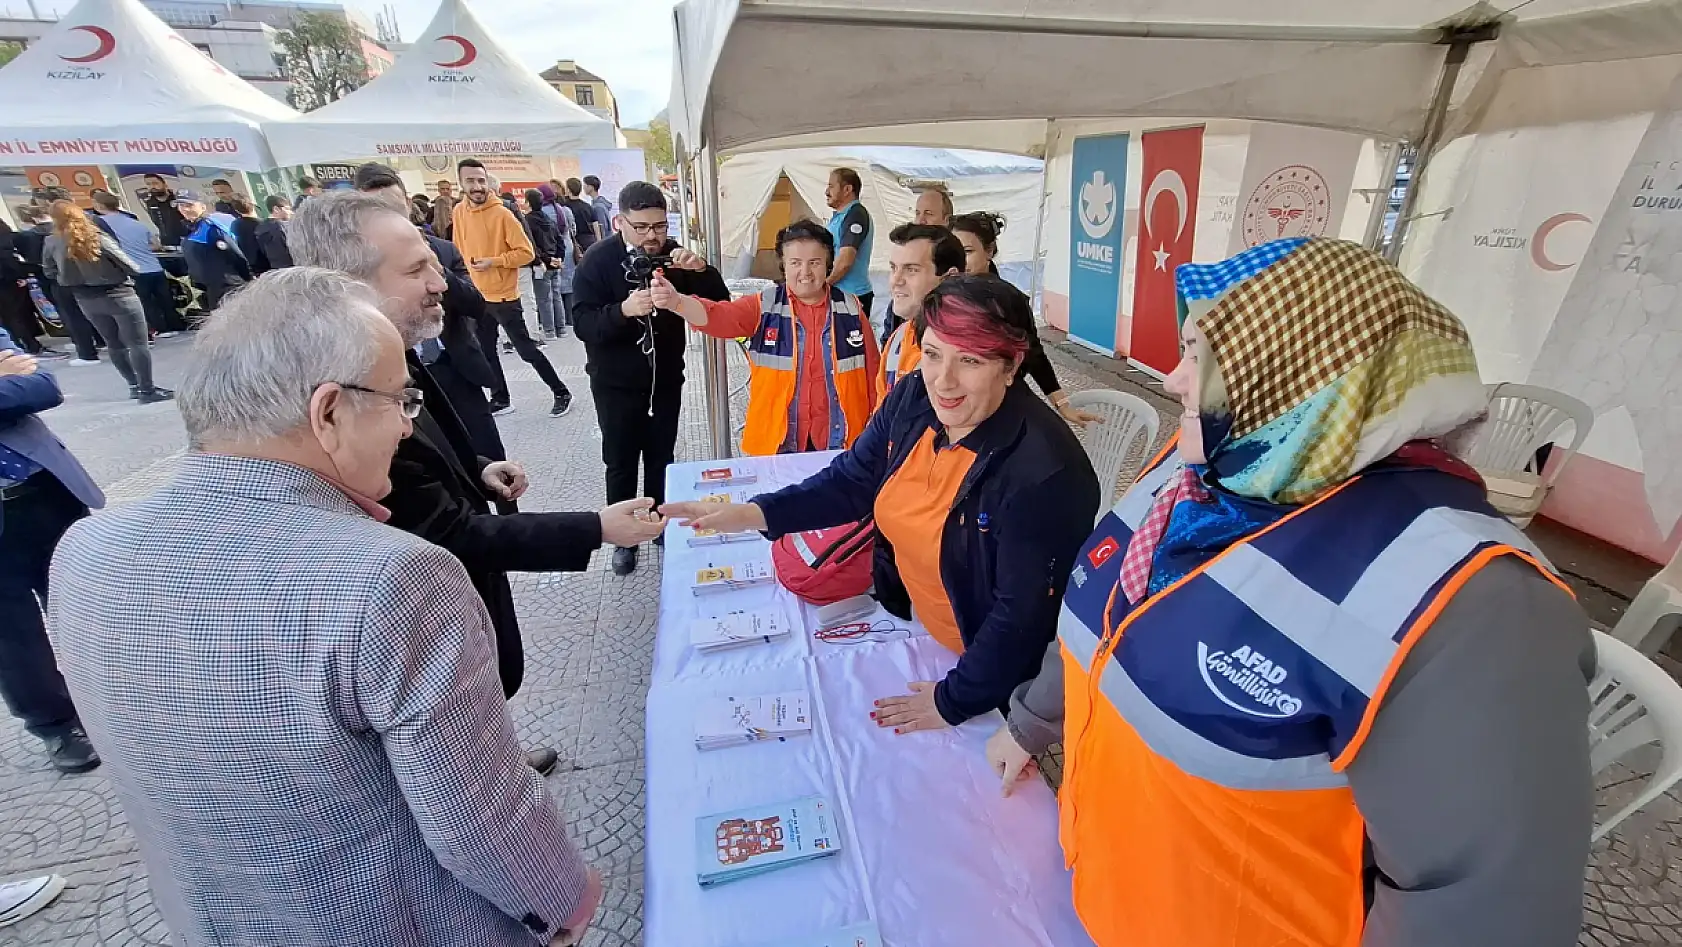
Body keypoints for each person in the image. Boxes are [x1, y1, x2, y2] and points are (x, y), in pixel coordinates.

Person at [988, 238, 1595, 947]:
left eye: (1206, 359)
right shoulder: (1205, 470)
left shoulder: (1477, 604)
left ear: (1308, 376)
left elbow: (1483, 908)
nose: (1176, 379)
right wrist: (1030, 719)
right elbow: (1113, 613)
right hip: (1101, 897)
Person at [49, 268, 605, 947]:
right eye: (400, 400)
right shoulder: (393, 578)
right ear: (329, 411)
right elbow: (481, 815)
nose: (407, 427)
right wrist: (562, 905)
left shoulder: (85, 550)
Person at [288, 192, 664, 727]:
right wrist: (596, 529)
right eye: (417, 269)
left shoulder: (391, 353)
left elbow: (422, 454)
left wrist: (475, 469)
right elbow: (441, 528)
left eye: (436, 265)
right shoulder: (348, 393)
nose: (441, 283)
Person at [664, 277, 1100, 731]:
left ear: (1011, 367)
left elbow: (1022, 616)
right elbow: (853, 480)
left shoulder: (1045, 474)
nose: (943, 381)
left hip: (988, 673)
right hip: (919, 627)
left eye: (969, 360)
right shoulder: (915, 395)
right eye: (932, 354)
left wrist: (953, 701)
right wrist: (756, 512)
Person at [571, 182, 731, 575]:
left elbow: (721, 302)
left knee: (662, 455)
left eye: (659, 226)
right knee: (621, 460)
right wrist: (622, 311)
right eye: (641, 227)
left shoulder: (674, 255)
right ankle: (623, 536)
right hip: (615, 383)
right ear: (619, 221)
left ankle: (659, 523)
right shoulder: (597, 260)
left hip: (665, 379)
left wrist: (702, 270)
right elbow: (582, 323)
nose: (652, 236)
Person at [654, 218, 879, 456]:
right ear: (784, 265)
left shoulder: (851, 308)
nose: (805, 272)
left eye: (814, 262)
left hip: (843, 441)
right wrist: (676, 302)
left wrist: (876, 433)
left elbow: (874, 373)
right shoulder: (765, 305)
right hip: (777, 445)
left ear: (828, 264)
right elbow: (718, 316)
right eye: (795, 263)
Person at [348, 164, 507, 464]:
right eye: (377, 210)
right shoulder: (358, 263)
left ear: (408, 204)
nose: (390, 220)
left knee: (493, 462)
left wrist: (436, 269)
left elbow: (476, 304)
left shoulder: (442, 251)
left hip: (457, 368)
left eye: (395, 208)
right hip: (401, 381)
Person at [0, 329, 104, 774]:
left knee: (88, 606)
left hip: (47, 491)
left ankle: (122, 697)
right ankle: (55, 724)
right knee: (13, 638)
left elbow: (43, 386)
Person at [896, 213, 1097, 428]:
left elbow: (1035, 353)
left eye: (968, 252)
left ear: (989, 251)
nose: (960, 261)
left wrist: (1062, 403)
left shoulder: (1008, 303)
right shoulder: (930, 306)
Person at [453, 158, 573, 418]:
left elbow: (526, 252)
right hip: (477, 295)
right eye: (471, 181)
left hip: (505, 296)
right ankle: (501, 398)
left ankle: (561, 391)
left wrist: (494, 262)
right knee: (486, 351)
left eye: (481, 180)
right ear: (460, 183)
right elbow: (458, 248)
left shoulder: (502, 214)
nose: (477, 186)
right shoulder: (458, 212)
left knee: (527, 350)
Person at [42, 202, 173, 403]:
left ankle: (133, 386)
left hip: (85, 298)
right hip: (118, 294)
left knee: (114, 344)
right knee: (137, 344)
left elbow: (49, 272)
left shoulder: (52, 242)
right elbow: (131, 266)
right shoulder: (97, 237)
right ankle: (147, 390)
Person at [876, 223, 963, 398]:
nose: (896, 280)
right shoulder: (899, 336)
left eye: (911, 270)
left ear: (950, 278)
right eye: (894, 268)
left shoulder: (968, 348)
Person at [16, 205, 99, 365]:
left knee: (70, 314)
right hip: (82, 277)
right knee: (88, 310)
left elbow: (42, 263)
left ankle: (85, 349)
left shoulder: (30, 236)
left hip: (54, 279)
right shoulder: (73, 231)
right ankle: (100, 340)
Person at [90, 191, 178, 337]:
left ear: (98, 205)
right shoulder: (135, 222)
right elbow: (155, 245)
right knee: (165, 300)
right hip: (155, 267)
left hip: (134, 270)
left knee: (146, 303)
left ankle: (158, 329)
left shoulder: (99, 225)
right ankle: (173, 326)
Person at [177, 192, 251, 312]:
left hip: (228, 288)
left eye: (189, 205)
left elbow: (236, 256)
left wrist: (247, 279)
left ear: (202, 207)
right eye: (181, 205)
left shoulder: (211, 229)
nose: (185, 209)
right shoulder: (192, 230)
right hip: (210, 289)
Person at [824, 167, 875, 321]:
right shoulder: (840, 216)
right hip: (840, 292)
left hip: (851, 295)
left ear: (847, 189)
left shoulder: (855, 215)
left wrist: (824, 285)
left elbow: (846, 260)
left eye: (831, 186)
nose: (826, 191)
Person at [521, 188, 568, 344]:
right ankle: (561, 328)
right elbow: (560, 240)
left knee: (543, 298)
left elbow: (532, 246)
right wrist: (559, 258)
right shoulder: (549, 219)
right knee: (556, 296)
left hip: (543, 264)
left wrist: (546, 260)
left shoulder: (527, 221)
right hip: (555, 263)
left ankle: (549, 330)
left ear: (528, 202)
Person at [535, 185, 577, 339]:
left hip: (548, 255)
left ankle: (550, 329)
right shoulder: (565, 210)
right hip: (565, 250)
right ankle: (566, 324)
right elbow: (573, 230)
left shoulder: (541, 214)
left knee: (546, 295)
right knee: (561, 290)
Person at [0, 219, 46, 354]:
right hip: (7, 282)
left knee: (7, 318)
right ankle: (31, 346)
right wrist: (23, 274)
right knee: (16, 315)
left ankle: (17, 346)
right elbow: (8, 260)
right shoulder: (5, 238)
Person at [137, 173, 188, 247]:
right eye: (148, 184)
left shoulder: (178, 199)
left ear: (164, 184)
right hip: (166, 245)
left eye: (155, 183)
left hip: (186, 243)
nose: (152, 187)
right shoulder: (150, 203)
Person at [226, 194, 270, 275]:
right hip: (266, 264)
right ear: (253, 205)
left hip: (250, 266)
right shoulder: (263, 224)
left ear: (236, 210)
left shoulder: (235, 224)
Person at [256, 195, 294, 271]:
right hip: (292, 268)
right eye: (287, 209)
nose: (291, 212)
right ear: (276, 209)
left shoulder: (260, 228)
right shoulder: (281, 227)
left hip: (276, 269)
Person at [562, 178, 600, 254]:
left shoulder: (564, 207)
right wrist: (599, 242)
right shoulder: (587, 206)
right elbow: (595, 225)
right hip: (591, 241)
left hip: (576, 242)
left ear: (568, 190)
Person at [582, 175, 613, 240]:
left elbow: (602, 228)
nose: (583, 188)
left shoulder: (598, 207)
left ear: (591, 187)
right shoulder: (599, 204)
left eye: (585, 185)